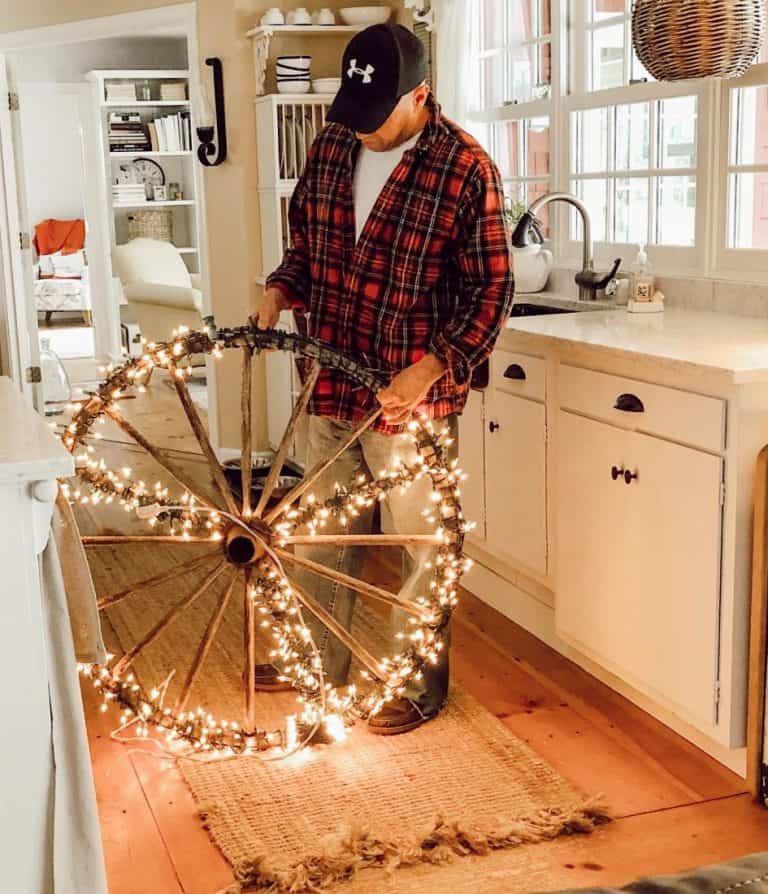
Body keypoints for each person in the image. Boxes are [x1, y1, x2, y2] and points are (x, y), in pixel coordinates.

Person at [251, 23, 514, 734]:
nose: (361, 132)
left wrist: (429, 368)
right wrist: (279, 290)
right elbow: (306, 246)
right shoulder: (334, 142)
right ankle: (317, 668)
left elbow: (490, 295)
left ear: (420, 95)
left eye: (378, 119)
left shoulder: (467, 170)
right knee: (319, 537)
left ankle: (416, 685)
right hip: (329, 384)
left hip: (411, 407)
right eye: (355, 114)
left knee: (421, 548)